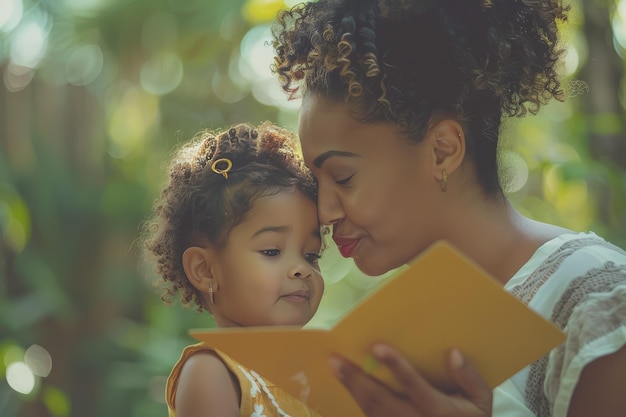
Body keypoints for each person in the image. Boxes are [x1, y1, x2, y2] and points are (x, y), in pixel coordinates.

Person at [271, 0, 626, 416]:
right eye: (317, 184)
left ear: (443, 150)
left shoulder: (593, 300)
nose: (325, 211)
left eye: (343, 177)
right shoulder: (398, 340)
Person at [141, 122, 324, 417]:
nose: (301, 269)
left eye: (311, 255)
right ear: (205, 270)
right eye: (272, 251)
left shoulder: (319, 378)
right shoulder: (212, 371)